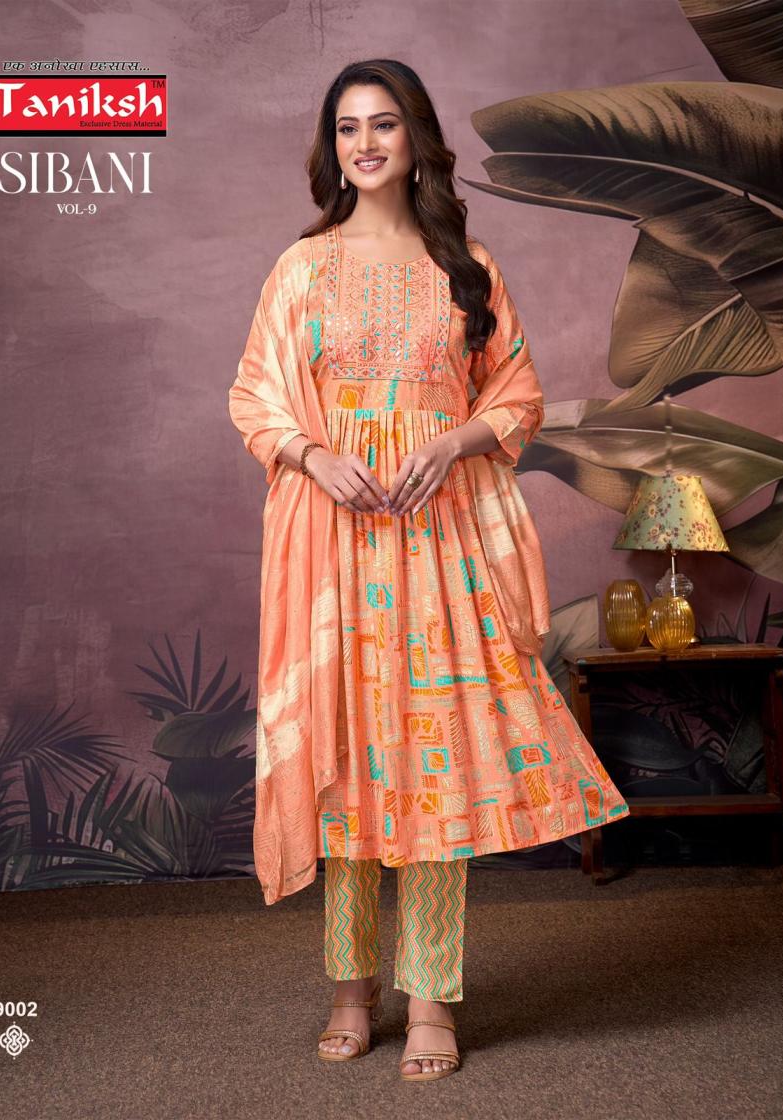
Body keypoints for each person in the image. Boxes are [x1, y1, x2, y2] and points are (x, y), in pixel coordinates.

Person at [228, 58, 630, 1083]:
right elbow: (255, 396)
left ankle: (432, 996)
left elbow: (518, 395)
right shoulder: (302, 268)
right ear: (333, 148)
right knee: (350, 760)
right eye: (348, 127)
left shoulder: (467, 267)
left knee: (431, 763)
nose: (365, 143)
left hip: (439, 542)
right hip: (334, 546)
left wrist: (451, 443)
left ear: (417, 141)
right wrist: (314, 456)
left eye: (384, 124)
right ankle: (350, 988)